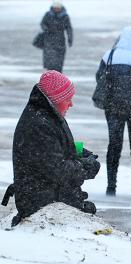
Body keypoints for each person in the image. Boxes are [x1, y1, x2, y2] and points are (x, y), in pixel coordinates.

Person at [3, 70, 100, 227]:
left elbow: (54, 146)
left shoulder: (47, 115)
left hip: (48, 195)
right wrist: (85, 166)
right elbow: (57, 170)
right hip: (38, 201)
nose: (71, 104)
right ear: (56, 99)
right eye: (68, 99)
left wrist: (79, 151)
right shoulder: (39, 124)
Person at [96, 26, 131, 197]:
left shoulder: (109, 56)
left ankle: (111, 186)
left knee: (114, 145)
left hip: (112, 107)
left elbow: (99, 77)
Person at [40, 1, 73, 73]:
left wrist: (70, 38)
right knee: (49, 62)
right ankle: (49, 77)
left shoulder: (65, 16)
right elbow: (42, 23)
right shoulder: (48, 15)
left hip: (60, 41)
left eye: (58, 8)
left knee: (59, 63)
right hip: (49, 41)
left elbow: (69, 28)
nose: (57, 9)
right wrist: (46, 29)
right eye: (55, 8)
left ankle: (58, 77)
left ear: (61, 8)